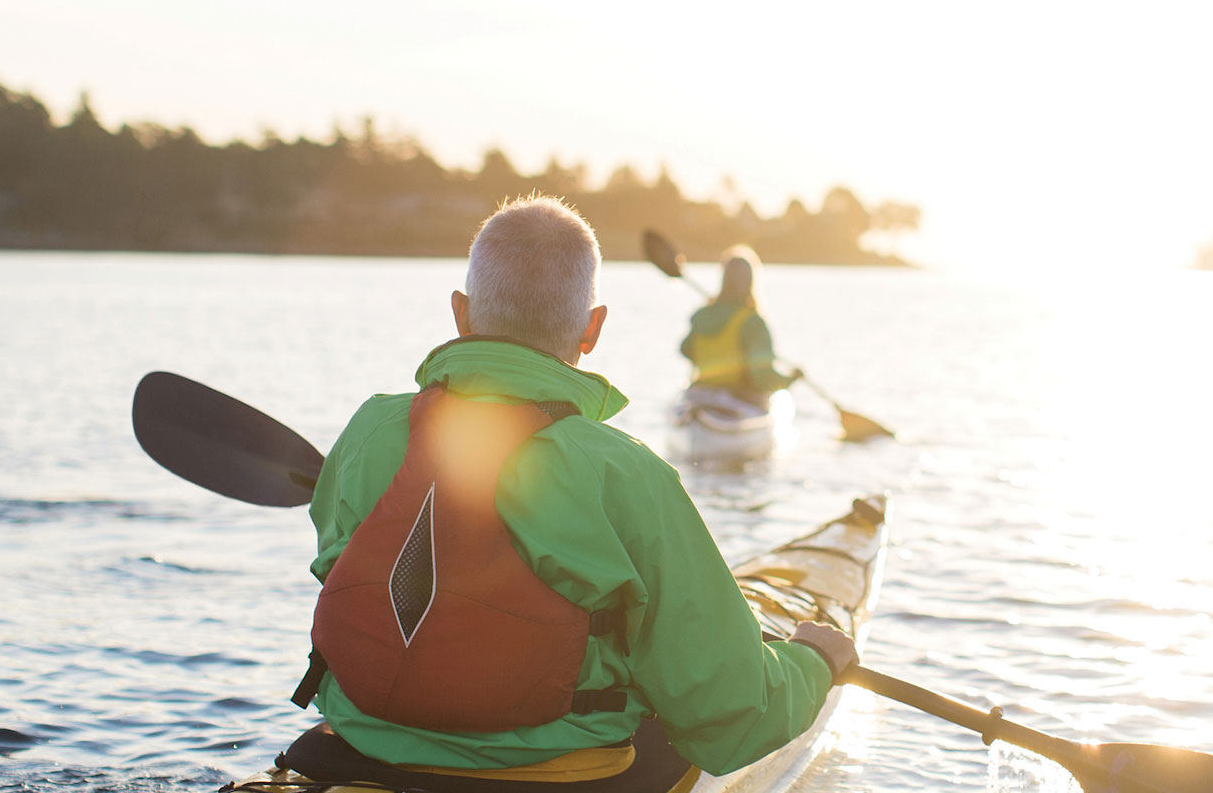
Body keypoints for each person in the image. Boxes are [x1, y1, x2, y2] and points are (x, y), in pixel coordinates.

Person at [284, 195, 855, 790]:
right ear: (593, 328)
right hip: (557, 774)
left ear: (460, 313)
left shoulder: (369, 431)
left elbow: (343, 571)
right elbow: (733, 714)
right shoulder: (626, 473)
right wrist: (814, 663)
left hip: (364, 746)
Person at [677, 248, 794, 410]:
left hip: (698, 396)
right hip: (737, 400)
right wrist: (791, 379)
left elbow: (686, 350)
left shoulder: (703, 314)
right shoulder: (752, 322)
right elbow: (763, 378)